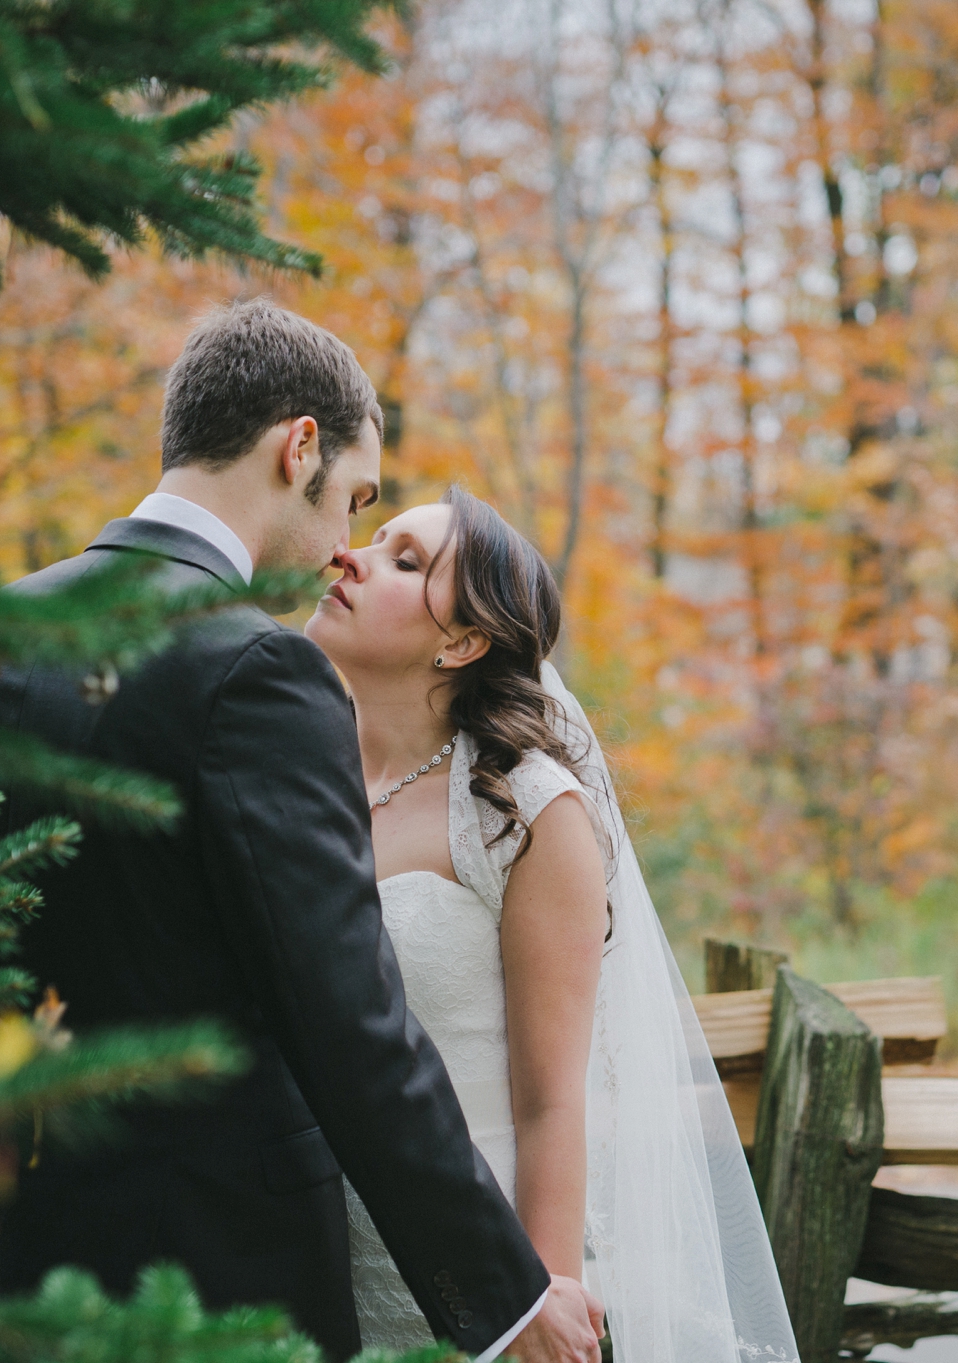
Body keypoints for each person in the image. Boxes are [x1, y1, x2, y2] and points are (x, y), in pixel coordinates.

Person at [0, 300, 602, 1363]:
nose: (337, 547)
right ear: (298, 447)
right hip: (231, 1281)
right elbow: (348, 1018)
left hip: (24, 1277)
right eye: (353, 501)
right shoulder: (258, 671)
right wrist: (503, 1299)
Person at [302, 485, 799, 1362]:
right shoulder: (298, 772)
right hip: (300, 1254)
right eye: (374, 539)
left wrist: (533, 1301)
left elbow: (550, 1100)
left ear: (461, 641)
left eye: (404, 559)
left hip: (467, 1271)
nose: (353, 556)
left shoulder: (526, 810)